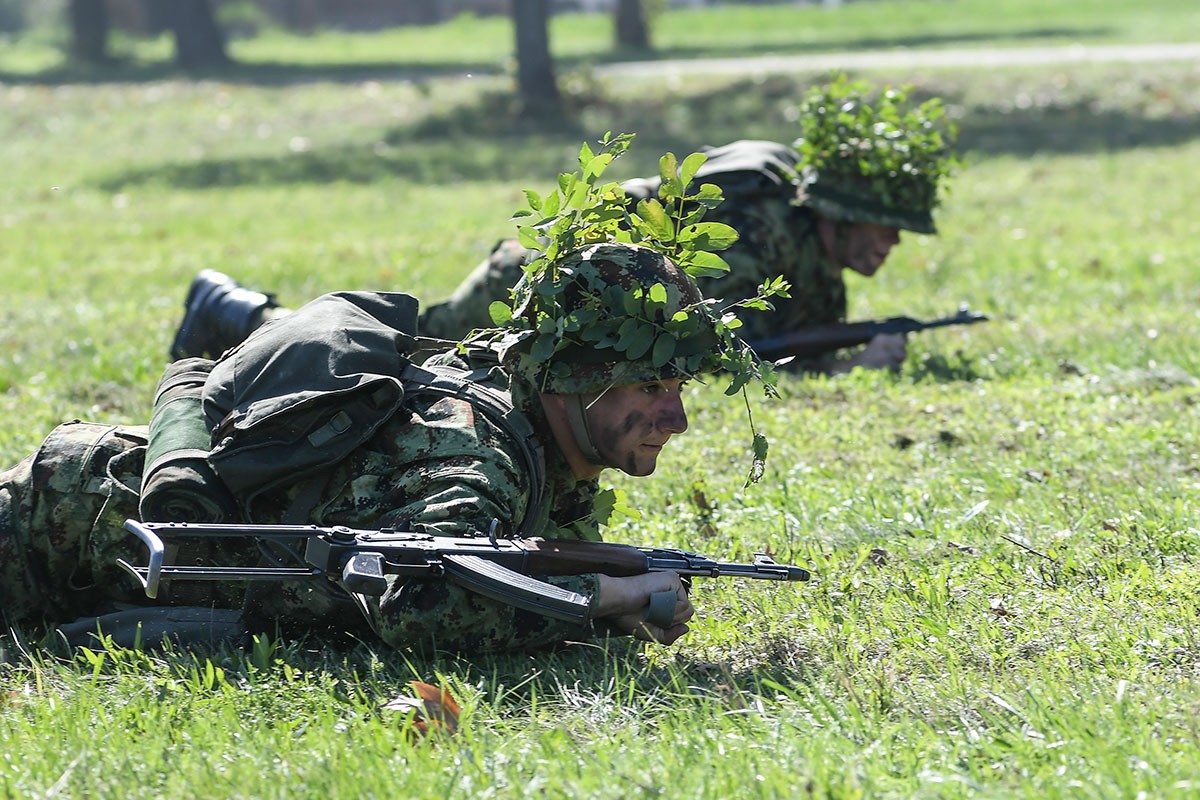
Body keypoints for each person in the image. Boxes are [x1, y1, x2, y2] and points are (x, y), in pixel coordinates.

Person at [0, 240, 773, 654]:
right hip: (60, 523)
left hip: (100, 536)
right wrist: (608, 600)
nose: (675, 418)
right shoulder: (469, 452)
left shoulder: (533, 431)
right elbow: (426, 605)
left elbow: (518, 563)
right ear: (575, 382)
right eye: (647, 390)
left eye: (678, 389)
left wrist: (610, 603)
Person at [169, 76, 958, 374]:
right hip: (541, 287)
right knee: (398, 352)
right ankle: (237, 315)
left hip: (582, 300)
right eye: (879, 230)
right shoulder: (757, 239)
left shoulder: (810, 249)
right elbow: (717, 350)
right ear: (838, 217)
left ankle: (244, 317)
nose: (887, 247)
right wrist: (848, 365)